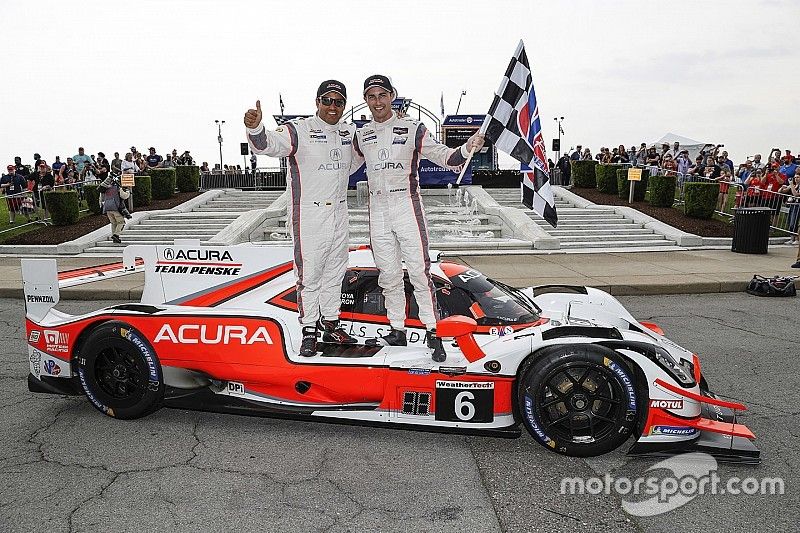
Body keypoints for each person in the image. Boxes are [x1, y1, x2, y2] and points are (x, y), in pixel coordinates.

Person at [353, 74, 484, 362]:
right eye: (371, 96)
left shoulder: (413, 128)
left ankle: (432, 330)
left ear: (392, 96)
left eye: (382, 95)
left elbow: (444, 157)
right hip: (377, 208)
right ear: (365, 100)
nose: (377, 101)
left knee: (418, 271)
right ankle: (397, 328)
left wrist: (467, 147)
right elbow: (341, 166)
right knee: (388, 274)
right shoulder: (361, 134)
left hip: (406, 203)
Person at [245, 79, 358, 357]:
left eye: (339, 102)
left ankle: (330, 322)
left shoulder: (349, 132)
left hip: (340, 211)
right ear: (317, 102)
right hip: (309, 211)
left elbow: (368, 151)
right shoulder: (299, 129)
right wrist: (255, 127)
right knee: (310, 275)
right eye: (327, 100)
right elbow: (267, 145)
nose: (333, 106)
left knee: (335, 271)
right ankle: (308, 330)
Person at [99, 172, 131, 243]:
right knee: (121, 222)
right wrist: (128, 192)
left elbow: (101, 199)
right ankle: (116, 235)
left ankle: (114, 238)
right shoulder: (117, 188)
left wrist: (102, 207)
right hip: (116, 208)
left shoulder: (105, 189)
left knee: (113, 223)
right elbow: (124, 196)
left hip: (107, 208)